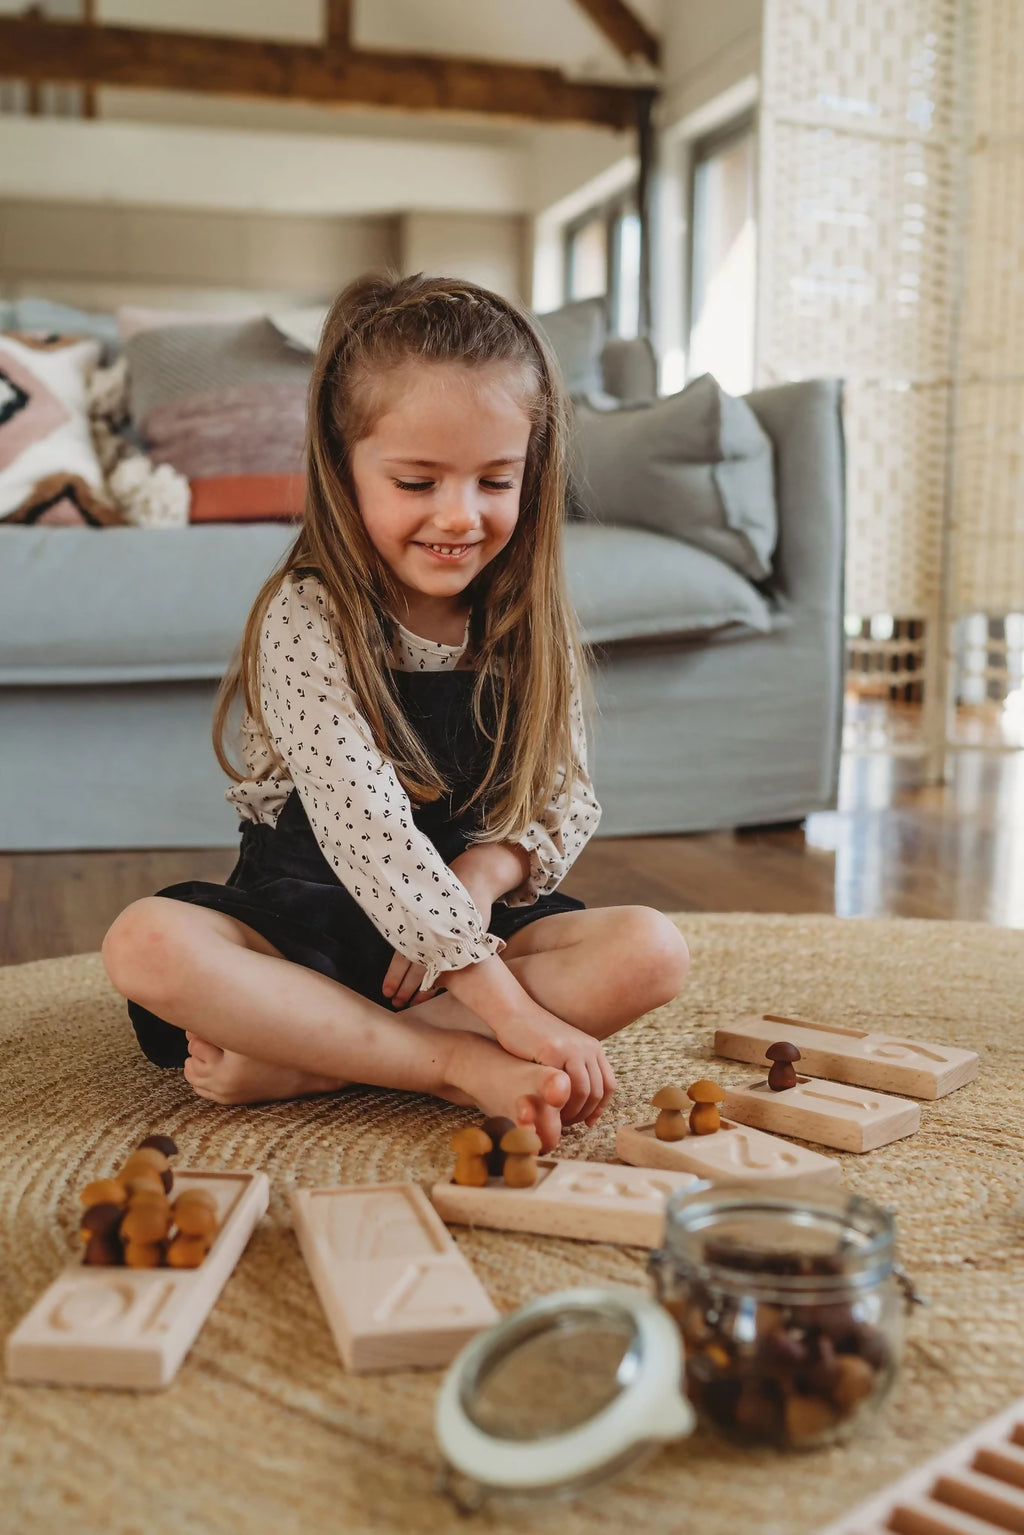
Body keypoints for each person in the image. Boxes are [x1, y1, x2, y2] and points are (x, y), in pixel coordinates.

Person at [102, 272, 689, 1150]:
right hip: (312, 924)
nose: (460, 517)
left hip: (467, 926)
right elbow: (364, 828)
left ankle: (320, 1056)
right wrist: (508, 1019)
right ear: (344, 472)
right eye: (417, 481)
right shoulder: (308, 616)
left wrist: (484, 882)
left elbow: (563, 792)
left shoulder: (526, 617)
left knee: (653, 950)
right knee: (145, 945)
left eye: (496, 480)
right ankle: (449, 1064)